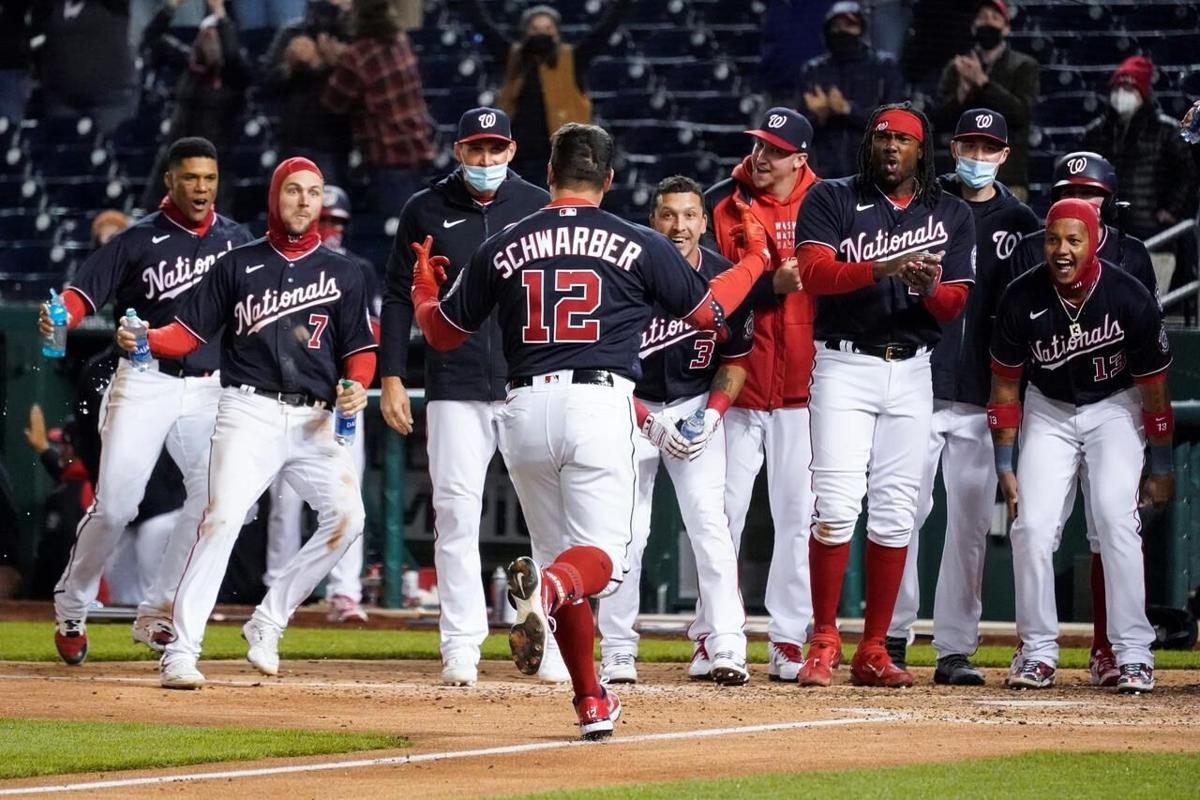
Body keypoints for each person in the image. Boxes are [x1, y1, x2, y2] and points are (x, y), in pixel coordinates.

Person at [408, 122, 769, 739]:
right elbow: (710, 312)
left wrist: (423, 290)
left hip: (521, 410)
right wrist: (758, 260)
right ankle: (545, 589)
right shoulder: (636, 240)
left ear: (548, 176)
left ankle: (591, 700)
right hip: (599, 407)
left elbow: (441, 334)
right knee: (603, 561)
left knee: (564, 561)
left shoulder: (507, 238)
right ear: (608, 179)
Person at [121, 157, 377, 689]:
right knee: (220, 518)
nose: (305, 201)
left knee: (348, 518)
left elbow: (361, 350)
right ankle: (180, 650)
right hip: (247, 410)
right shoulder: (237, 264)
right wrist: (145, 337)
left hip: (315, 419)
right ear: (275, 197)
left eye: (314, 192)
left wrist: (356, 385)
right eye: (294, 191)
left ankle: (269, 619)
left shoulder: (345, 273)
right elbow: (186, 335)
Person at [40, 137, 252, 666]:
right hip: (144, 380)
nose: (201, 188)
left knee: (219, 501)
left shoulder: (235, 239)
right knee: (115, 507)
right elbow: (81, 293)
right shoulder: (138, 239)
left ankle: (158, 609)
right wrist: (59, 315)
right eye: (191, 178)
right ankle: (72, 602)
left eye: (209, 178)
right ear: (170, 181)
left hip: (209, 385)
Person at [792, 103, 976, 688]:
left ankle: (873, 648)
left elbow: (954, 306)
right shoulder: (831, 198)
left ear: (923, 150)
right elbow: (815, 274)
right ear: (867, 145)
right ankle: (823, 639)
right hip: (845, 363)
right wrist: (882, 268)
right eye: (882, 138)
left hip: (913, 370)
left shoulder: (949, 211)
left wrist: (927, 287)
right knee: (837, 504)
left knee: (897, 513)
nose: (890, 147)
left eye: (903, 139)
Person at [380, 107, 558, 685]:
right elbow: (398, 298)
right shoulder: (424, 208)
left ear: (512, 151)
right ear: (458, 152)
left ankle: (551, 637)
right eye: (475, 150)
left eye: (496, 149)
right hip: (453, 381)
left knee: (548, 518)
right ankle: (461, 643)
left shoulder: (537, 204)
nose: (486, 161)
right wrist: (390, 376)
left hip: (525, 379)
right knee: (455, 513)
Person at [988, 198, 1171, 694]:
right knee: (1031, 528)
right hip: (1047, 406)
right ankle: (1038, 652)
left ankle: (1133, 653)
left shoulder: (1127, 295)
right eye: (1053, 239)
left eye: (1073, 240)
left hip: (1115, 405)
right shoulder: (1021, 296)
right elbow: (1004, 387)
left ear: (1092, 241)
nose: (1061, 250)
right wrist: (1005, 463)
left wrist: (1162, 465)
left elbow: (1154, 390)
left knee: (1115, 519)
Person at [886, 109, 1039, 683]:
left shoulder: (1021, 221)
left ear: (1004, 154)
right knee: (902, 512)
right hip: (917, 383)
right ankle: (892, 635)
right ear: (952, 148)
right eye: (969, 144)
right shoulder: (924, 203)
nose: (977, 154)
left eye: (989, 146)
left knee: (970, 524)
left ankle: (954, 649)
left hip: (981, 394)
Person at [596, 176, 755, 687]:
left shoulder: (726, 278)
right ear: (652, 221)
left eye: (689, 215)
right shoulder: (624, 277)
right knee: (628, 534)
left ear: (705, 222)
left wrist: (712, 413)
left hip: (693, 405)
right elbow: (604, 367)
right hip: (632, 408)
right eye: (668, 215)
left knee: (712, 524)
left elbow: (735, 361)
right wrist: (646, 420)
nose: (679, 226)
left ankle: (726, 642)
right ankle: (618, 650)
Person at [703, 106, 817, 683]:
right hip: (738, 380)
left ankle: (788, 637)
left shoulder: (828, 204)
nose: (762, 156)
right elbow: (710, 290)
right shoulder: (722, 203)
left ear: (800, 158)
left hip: (804, 388)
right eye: (758, 145)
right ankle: (712, 631)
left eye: (775, 149)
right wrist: (767, 285)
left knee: (798, 516)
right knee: (720, 516)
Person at [264, 184, 378, 624]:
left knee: (349, 499)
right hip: (289, 397)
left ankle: (344, 593)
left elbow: (376, 334)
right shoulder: (280, 267)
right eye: (324, 220)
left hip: (344, 397)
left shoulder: (358, 269)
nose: (331, 229)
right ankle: (278, 583)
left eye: (338, 223)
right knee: (286, 502)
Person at [464, 0, 631, 183]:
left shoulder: (572, 59)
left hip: (561, 157)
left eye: (548, 28)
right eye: (535, 28)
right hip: (516, 157)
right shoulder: (514, 58)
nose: (542, 33)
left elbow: (603, 32)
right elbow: (483, 26)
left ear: (557, 33)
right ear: (525, 33)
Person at [321, 0, 434, 218]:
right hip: (417, 152)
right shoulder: (401, 40)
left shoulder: (358, 55)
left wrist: (330, 61)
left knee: (398, 240)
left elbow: (333, 103)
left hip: (389, 162)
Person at [139, 0, 251, 214]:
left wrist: (219, 13)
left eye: (215, 34)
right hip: (173, 162)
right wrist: (170, 8)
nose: (209, 38)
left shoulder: (234, 78)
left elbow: (234, 58)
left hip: (211, 168)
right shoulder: (187, 65)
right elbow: (150, 40)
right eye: (205, 33)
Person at [1082, 56, 1196, 242]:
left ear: (1142, 93)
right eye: (1117, 88)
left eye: (1128, 89)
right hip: (1107, 230)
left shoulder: (1166, 130)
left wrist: (1172, 210)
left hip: (1154, 230)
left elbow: (1188, 173)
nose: (1120, 94)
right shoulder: (1096, 132)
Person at [931, 0, 1037, 199]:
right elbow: (938, 119)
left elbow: (1021, 113)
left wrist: (983, 82)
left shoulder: (1024, 65)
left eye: (994, 18)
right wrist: (962, 92)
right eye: (982, 18)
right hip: (960, 176)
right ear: (973, 27)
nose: (987, 23)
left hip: (1008, 178)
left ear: (1006, 28)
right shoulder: (957, 67)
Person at [799, 2, 907, 180]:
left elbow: (894, 121)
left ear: (861, 29)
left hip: (873, 170)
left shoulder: (883, 67)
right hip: (825, 172)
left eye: (849, 25)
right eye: (836, 26)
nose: (842, 32)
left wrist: (847, 110)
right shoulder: (813, 70)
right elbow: (800, 131)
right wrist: (819, 115)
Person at [260, 0, 354, 187]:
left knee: (328, 210)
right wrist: (290, 67)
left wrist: (323, 65)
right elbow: (264, 84)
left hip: (333, 146)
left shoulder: (352, 36)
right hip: (291, 141)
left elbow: (357, 90)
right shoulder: (291, 33)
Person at [32, 0, 139, 135]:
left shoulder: (113, 5)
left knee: (108, 149)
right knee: (62, 153)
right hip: (61, 96)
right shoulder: (53, 5)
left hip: (110, 96)